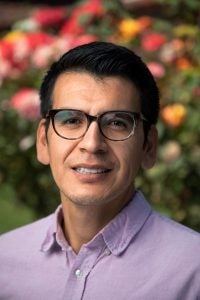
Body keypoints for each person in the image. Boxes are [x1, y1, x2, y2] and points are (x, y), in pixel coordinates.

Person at [0, 41, 199, 300]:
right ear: (43, 141)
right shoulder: (5, 260)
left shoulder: (192, 271)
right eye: (71, 120)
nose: (92, 144)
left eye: (117, 122)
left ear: (148, 146)